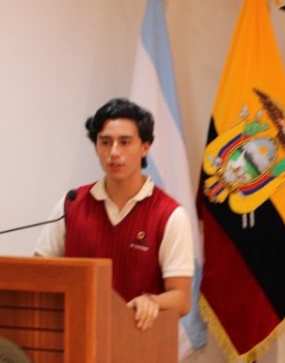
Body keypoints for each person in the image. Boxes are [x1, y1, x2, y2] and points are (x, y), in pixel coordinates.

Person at [35, 98, 194, 330]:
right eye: (105, 142)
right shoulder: (71, 203)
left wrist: (152, 301)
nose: (114, 152)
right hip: (75, 335)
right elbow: (39, 273)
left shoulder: (169, 215)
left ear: (145, 147)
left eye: (125, 142)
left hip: (137, 343)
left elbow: (181, 298)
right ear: (96, 147)